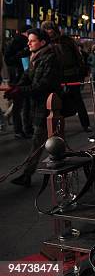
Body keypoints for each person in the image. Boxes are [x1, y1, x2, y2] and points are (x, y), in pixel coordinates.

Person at [5, 29, 61, 187]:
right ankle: (34, 173)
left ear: (42, 42)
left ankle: (28, 174)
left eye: (32, 40)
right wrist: (16, 88)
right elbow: (27, 76)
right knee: (47, 140)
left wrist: (20, 91)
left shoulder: (49, 58)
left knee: (40, 141)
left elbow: (43, 85)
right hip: (39, 105)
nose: (28, 43)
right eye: (29, 40)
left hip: (48, 106)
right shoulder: (36, 56)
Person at [41, 21, 91, 132]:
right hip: (55, 76)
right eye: (46, 29)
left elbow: (78, 57)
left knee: (78, 100)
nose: (49, 31)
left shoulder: (66, 40)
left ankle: (86, 124)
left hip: (71, 74)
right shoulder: (45, 43)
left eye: (50, 29)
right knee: (55, 102)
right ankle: (56, 127)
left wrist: (81, 72)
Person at [3, 26, 32, 138]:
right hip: (21, 76)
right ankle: (23, 129)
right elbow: (10, 59)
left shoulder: (15, 42)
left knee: (20, 105)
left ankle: (20, 129)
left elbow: (8, 59)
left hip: (18, 76)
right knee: (23, 104)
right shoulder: (20, 43)